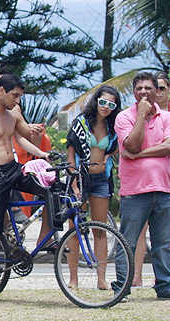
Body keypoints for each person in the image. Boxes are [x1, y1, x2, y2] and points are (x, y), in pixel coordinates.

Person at [0, 74, 54, 304]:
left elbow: (24, 135)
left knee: (51, 189)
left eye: (20, 96)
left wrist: (40, 143)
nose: (18, 100)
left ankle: (45, 237)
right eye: (15, 95)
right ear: (1, 91)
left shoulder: (13, 113)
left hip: (13, 168)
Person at [113, 71, 170, 301]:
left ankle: (165, 286)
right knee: (126, 240)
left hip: (164, 189)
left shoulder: (167, 118)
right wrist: (140, 115)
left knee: (162, 243)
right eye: (139, 88)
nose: (144, 92)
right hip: (134, 191)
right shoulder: (124, 117)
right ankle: (122, 285)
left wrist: (138, 156)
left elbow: (169, 146)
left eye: (148, 88)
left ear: (157, 91)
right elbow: (132, 143)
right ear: (133, 92)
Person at [65, 86, 121, 290]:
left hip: (100, 180)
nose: (106, 107)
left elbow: (121, 144)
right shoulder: (80, 123)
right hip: (80, 178)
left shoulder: (113, 126)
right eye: (103, 102)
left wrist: (108, 156)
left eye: (111, 104)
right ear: (96, 101)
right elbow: (70, 154)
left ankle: (101, 279)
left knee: (100, 229)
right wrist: (73, 182)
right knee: (75, 229)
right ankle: (73, 279)